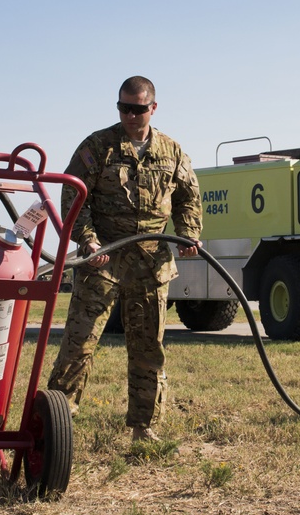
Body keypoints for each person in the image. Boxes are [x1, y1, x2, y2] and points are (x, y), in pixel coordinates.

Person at [48, 76, 202, 442]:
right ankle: (58, 423)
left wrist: (188, 232)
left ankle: (143, 427)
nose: (130, 115)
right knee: (78, 344)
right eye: (123, 108)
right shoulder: (98, 146)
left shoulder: (172, 151)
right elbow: (73, 195)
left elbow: (189, 197)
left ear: (153, 108)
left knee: (149, 346)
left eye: (137, 108)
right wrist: (87, 241)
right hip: (103, 259)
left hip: (151, 262)